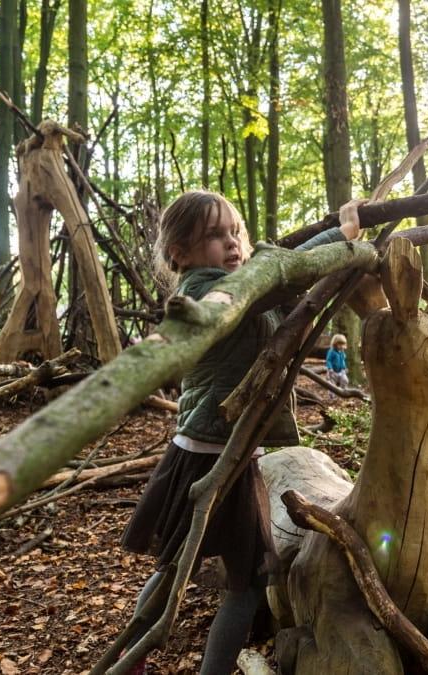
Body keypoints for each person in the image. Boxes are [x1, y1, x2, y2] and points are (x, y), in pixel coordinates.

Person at [119, 190, 362, 674]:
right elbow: (277, 282)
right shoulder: (207, 292)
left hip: (239, 458)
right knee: (185, 571)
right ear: (179, 254)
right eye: (214, 236)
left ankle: (149, 658)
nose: (232, 244)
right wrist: (340, 235)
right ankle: (133, 656)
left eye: (236, 233)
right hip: (207, 456)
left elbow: (285, 293)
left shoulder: (244, 285)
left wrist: (333, 250)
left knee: (235, 582)